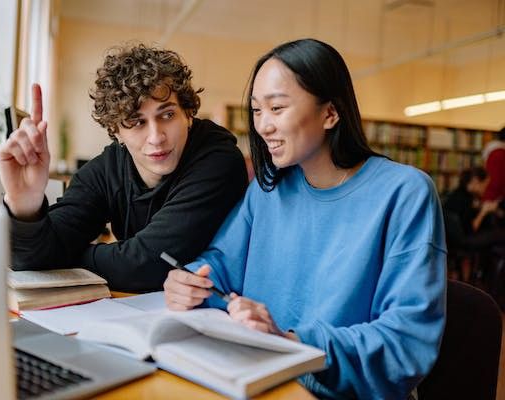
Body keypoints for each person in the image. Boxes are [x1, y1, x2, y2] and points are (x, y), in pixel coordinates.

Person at [163, 39, 446, 399]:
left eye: (277, 108)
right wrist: (191, 281)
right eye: (256, 110)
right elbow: (220, 264)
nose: (263, 126)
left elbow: (404, 342)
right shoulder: (268, 190)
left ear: (330, 113)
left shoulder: (405, 193)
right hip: (258, 379)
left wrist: (290, 343)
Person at [0, 44, 248, 292]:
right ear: (116, 131)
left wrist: (61, 257)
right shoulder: (107, 169)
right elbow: (31, 260)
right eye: (136, 122)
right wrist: (25, 205)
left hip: (223, 314)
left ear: (189, 114)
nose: (156, 137)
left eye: (167, 115)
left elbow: (146, 266)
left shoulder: (219, 161)